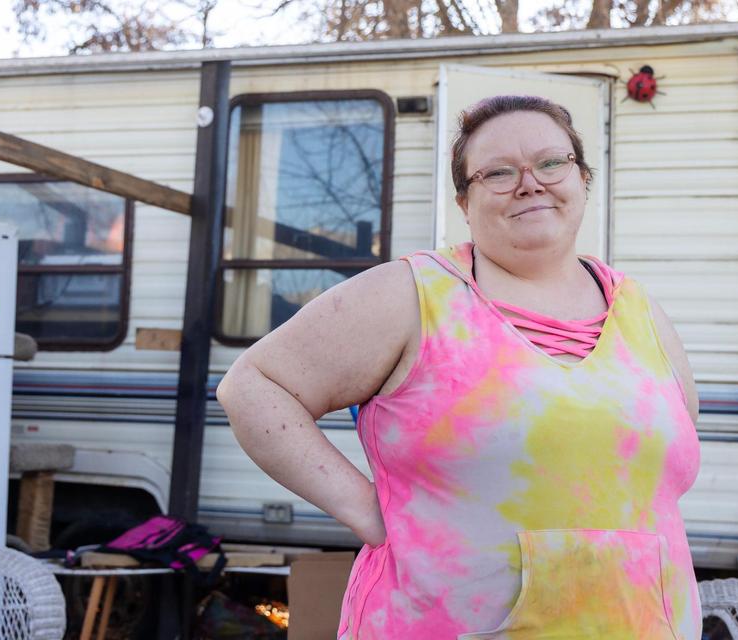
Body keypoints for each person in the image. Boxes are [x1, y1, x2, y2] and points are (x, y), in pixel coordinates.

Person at [217, 94, 702, 639]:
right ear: (464, 202)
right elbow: (253, 386)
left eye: (551, 162)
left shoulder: (642, 311)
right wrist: (368, 512)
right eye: (498, 172)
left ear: (581, 178)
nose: (529, 182)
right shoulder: (414, 294)